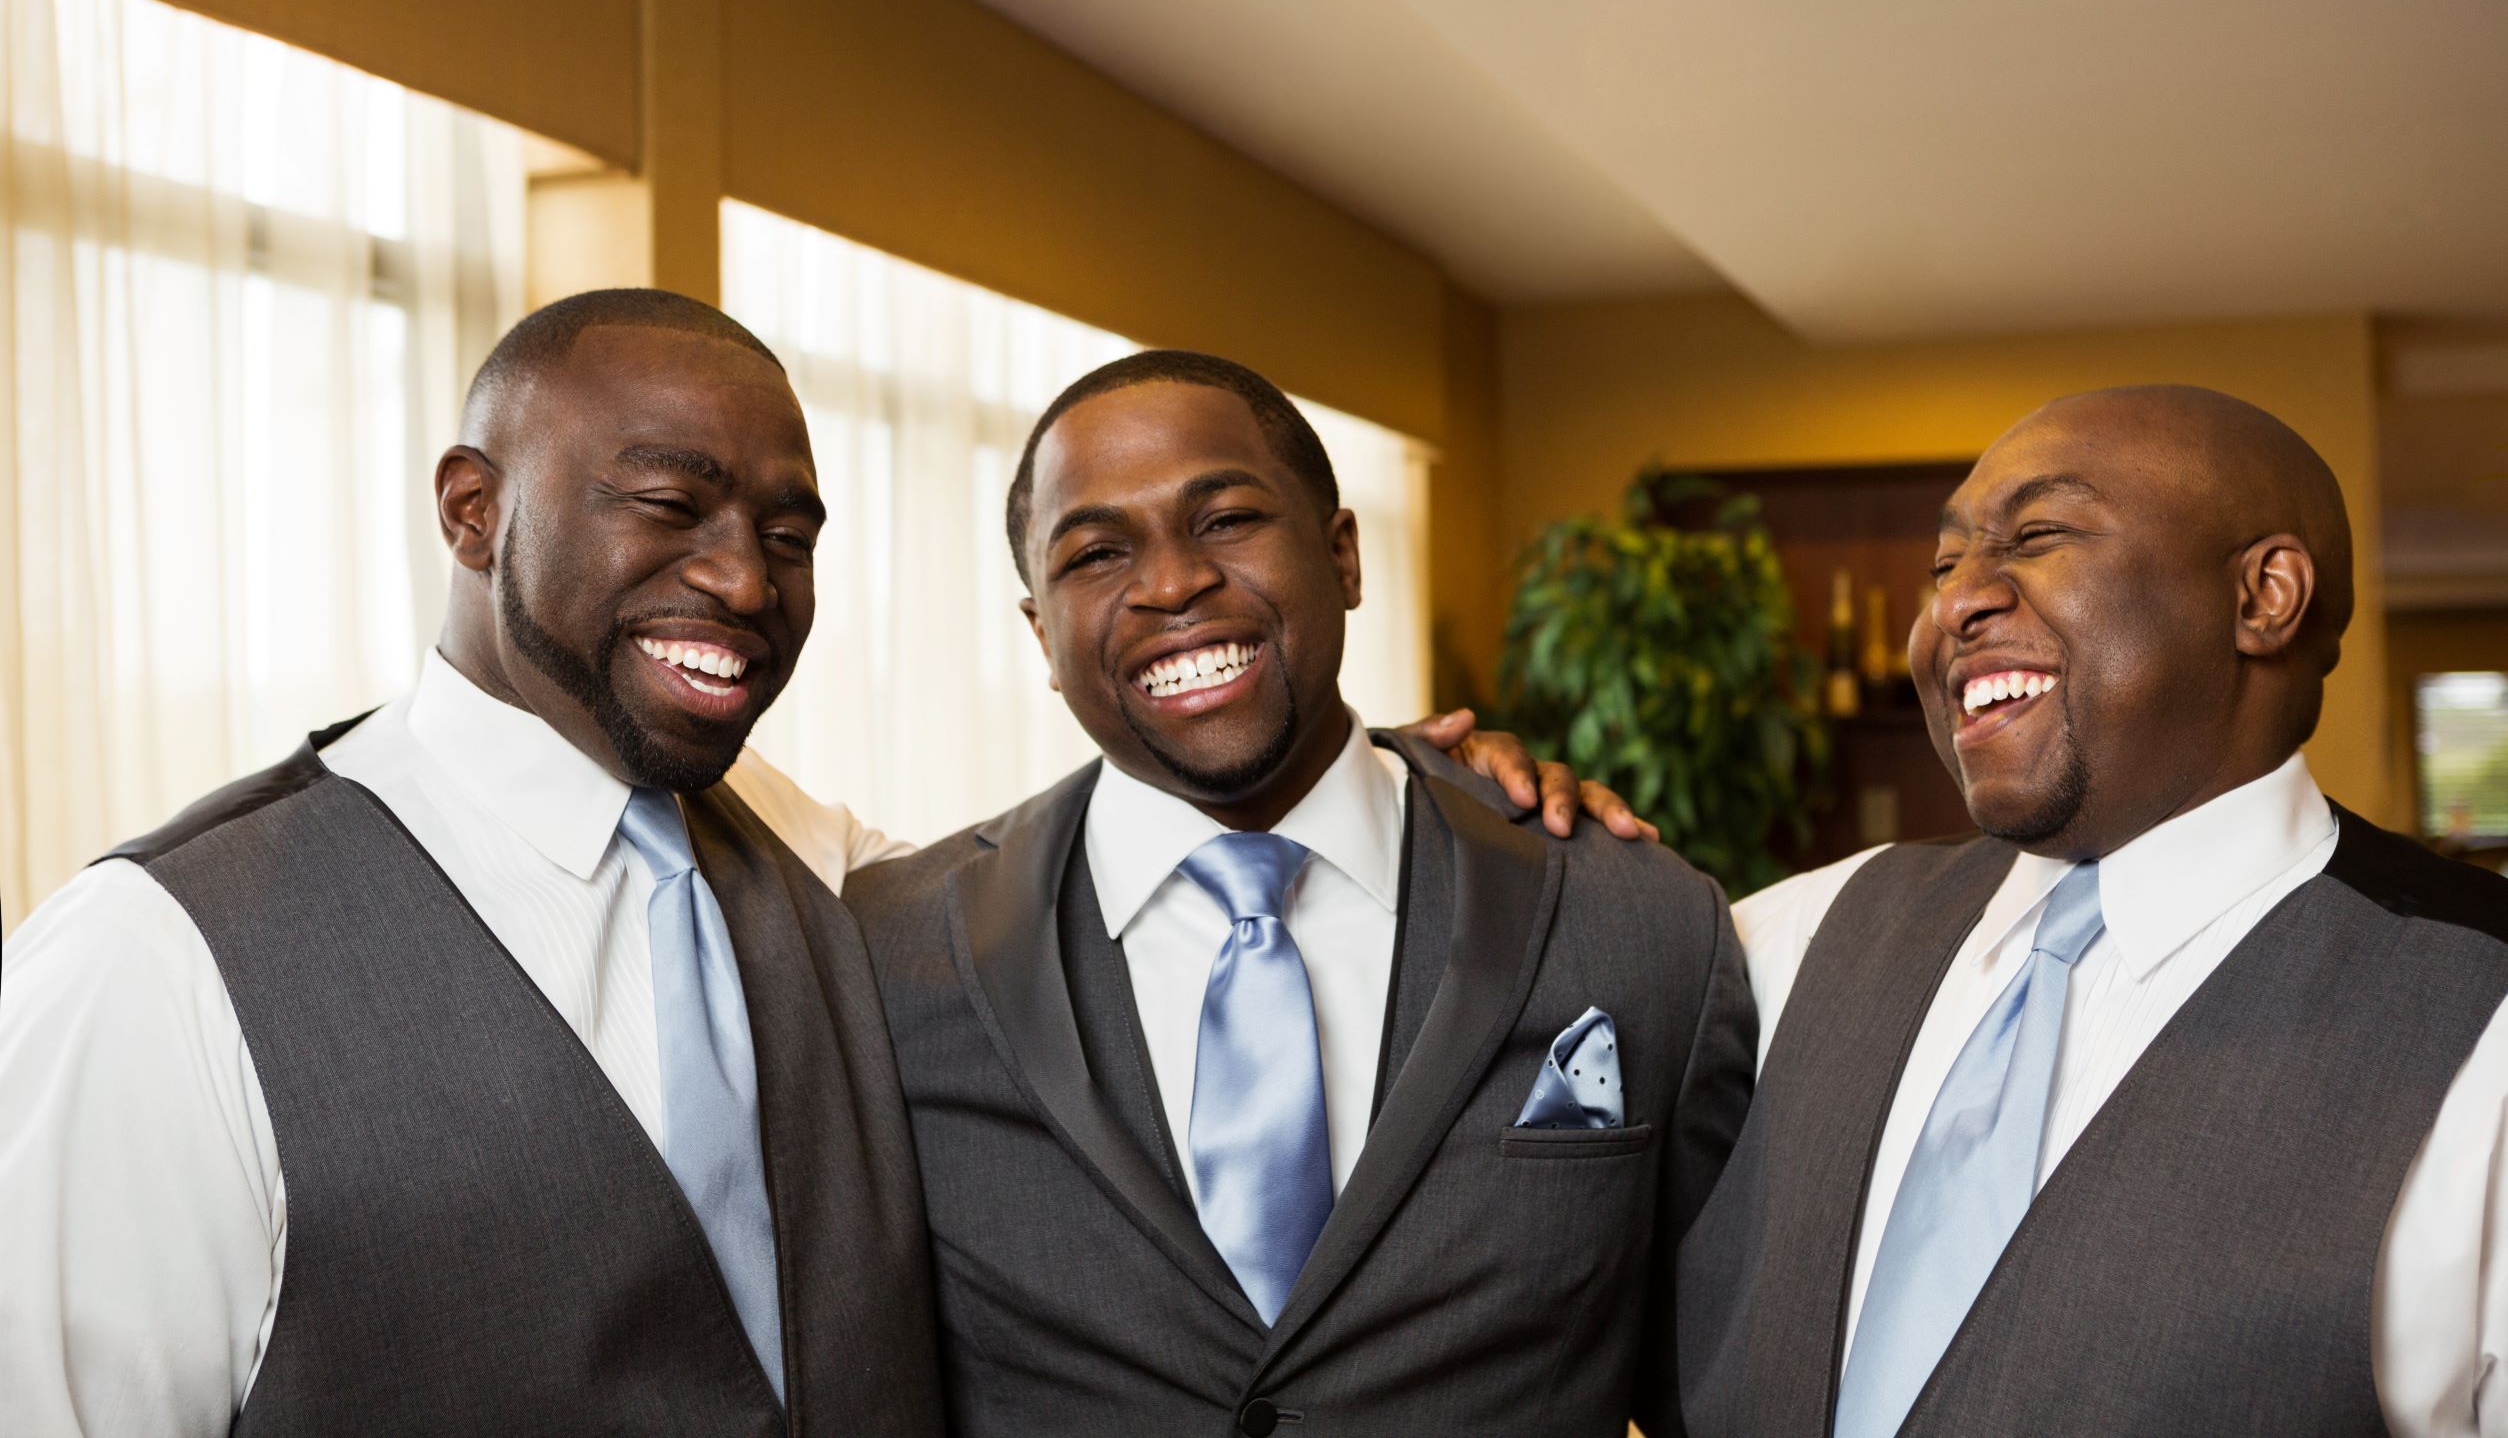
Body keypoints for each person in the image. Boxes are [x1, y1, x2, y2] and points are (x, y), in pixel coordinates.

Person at [0, 290, 1615, 1437]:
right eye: (668, 505)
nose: (742, 579)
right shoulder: (151, 957)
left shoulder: (823, 869)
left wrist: (1386, 778)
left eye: (789, 533)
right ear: (474, 512)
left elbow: (1138, 856)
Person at [844, 351, 1757, 1437]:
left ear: (1343, 555)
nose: (1173, 582)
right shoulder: (888, 954)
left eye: (1226, 519)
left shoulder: (1642, 919)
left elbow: (1732, 1381)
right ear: (1041, 634)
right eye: (1095, 551)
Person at [1679, 386, 2508, 1438]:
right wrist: (1459, 801)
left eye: (2038, 535)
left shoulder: (2485, 1013)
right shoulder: (1794, 936)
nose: (1954, 604)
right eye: (1943, 567)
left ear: (2264, 595)